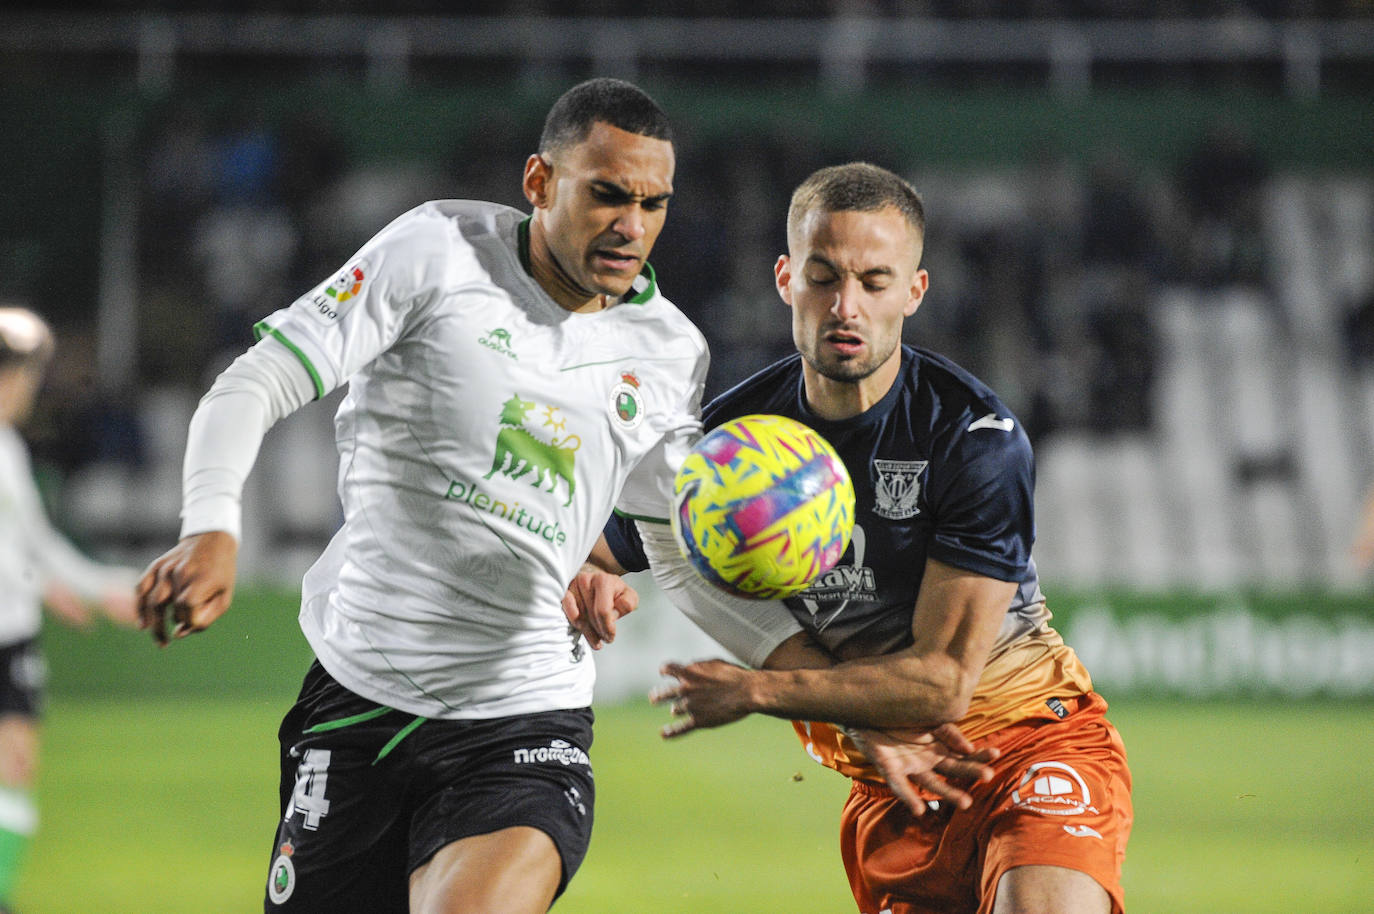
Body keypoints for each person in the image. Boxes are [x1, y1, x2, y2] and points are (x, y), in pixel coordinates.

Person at [135, 78, 701, 914]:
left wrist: (816, 692)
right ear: (540, 182)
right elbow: (254, 381)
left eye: (654, 204)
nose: (632, 226)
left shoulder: (669, 350)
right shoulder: (438, 249)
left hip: (524, 717)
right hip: (362, 693)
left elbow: (678, 539)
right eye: (607, 194)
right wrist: (212, 525)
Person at [592, 163, 1133, 914]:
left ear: (913, 292)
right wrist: (588, 573)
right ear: (786, 279)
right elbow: (606, 537)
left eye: (875, 283)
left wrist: (758, 690)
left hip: (1027, 744)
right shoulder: (732, 449)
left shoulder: (973, 437)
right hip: (891, 784)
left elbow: (942, 683)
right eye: (823, 278)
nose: (846, 307)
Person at [0, 306, 139, 913]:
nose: (27, 387)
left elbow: (31, 544)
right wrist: (52, 585)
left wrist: (92, 586)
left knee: (16, 765)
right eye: (23, 374)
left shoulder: (6, 446)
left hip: (10, 635)